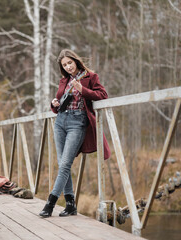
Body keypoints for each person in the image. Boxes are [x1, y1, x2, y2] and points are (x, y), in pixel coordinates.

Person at [39, 49, 111, 218]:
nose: (68, 67)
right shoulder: (64, 80)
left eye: (70, 63)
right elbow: (59, 104)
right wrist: (54, 103)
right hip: (60, 122)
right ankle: (70, 205)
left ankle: (50, 204)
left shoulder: (90, 77)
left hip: (77, 122)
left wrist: (82, 89)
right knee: (62, 164)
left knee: (65, 164)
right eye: (65, 65)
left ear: (76, 61)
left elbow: (103, 95)